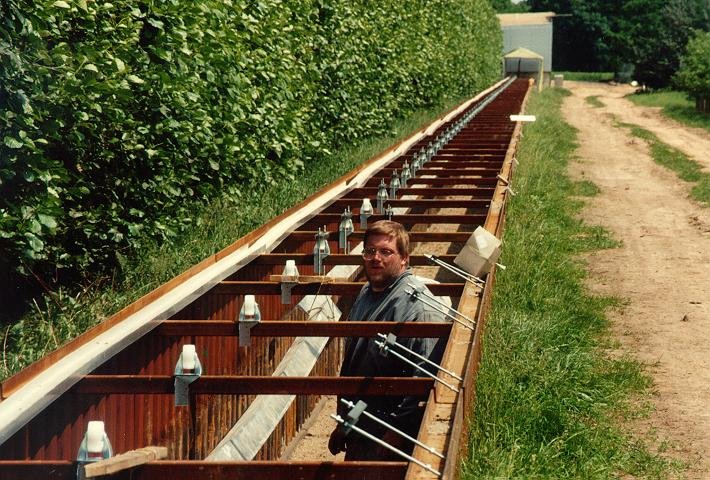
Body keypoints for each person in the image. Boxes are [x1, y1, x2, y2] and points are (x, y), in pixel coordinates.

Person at [328, 220, 446, 461]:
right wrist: (345, 425)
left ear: (404, 258)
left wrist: (393, 438)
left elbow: (422, 382)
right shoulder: (366, 293)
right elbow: (356, 366)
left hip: (390, 439)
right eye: (370, 251)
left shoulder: (418, 308)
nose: (376, 258)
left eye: (386, 251)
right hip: (362, 427)